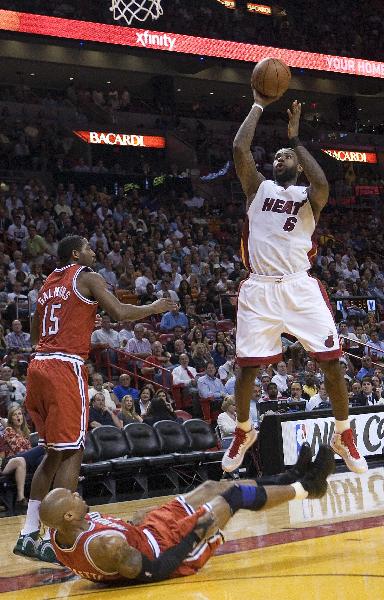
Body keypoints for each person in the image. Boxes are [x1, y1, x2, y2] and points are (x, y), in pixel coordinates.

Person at [222, 89, 367, 475]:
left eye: (284, 157)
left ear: (297, 165)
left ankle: (343, 433)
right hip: (259, 287)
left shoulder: (309, 195)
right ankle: (242, 430)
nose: (278, 159)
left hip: (300, 286)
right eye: (275, 157)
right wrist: (257, 103)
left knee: (332, 363)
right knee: (246, 370)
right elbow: (240, 147)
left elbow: (324, 183)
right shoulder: (258, 190)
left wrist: (295, 140)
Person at [14, 235, 177, 562]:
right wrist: (155, 307)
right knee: (73, 450)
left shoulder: (48, 284)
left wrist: (75, 321)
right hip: (64, 366)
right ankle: (61, 534)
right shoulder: (87, 275)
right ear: (76, 253)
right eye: (88, 247)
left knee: (54, 453)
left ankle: (30, 532)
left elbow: (35, 333)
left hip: (38, 366)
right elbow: (119, 313)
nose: (93, 251)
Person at [40, 445, 335, 584]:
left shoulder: (58, 532)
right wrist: (193, 536)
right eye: (73, 497)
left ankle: (289, 476)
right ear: (68, 516)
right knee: (231, 498)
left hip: (147, 534)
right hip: (169, 549)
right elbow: (152, 571)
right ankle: (308, 487)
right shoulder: (106, 546)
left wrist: (133, 521)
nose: (78, 495)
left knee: (211, 485)